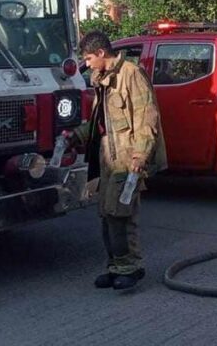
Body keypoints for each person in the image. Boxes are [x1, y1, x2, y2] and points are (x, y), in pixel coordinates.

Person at [79, 31, 168, 290]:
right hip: (108, 158)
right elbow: (100, 123)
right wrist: (75, 136)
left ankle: (131, 267)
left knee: (121, 215)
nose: (86, 64)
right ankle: (115, 266)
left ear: (100, 54)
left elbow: (146, 119)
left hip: (128, 159)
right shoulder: (103, 80)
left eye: (88, 58)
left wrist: (141, 155)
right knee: (107, 214)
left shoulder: (131, 75)